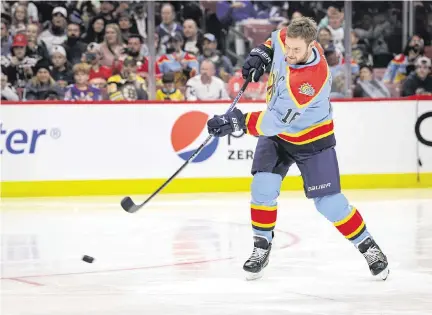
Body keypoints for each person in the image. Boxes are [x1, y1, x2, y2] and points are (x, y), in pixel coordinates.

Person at [206, 17, 389, 280]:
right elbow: (274, 40)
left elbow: (272, 122)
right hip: (280, 137)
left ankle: (368, 246)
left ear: (311, 45)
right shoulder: (286, 38)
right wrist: (261, 53)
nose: (290, 54)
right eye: (288, 48)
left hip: (312, 139)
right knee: (262, 188)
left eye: (296, 50)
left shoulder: (310, 81)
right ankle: (261, 246)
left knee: (330, 204)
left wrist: (236, 121)